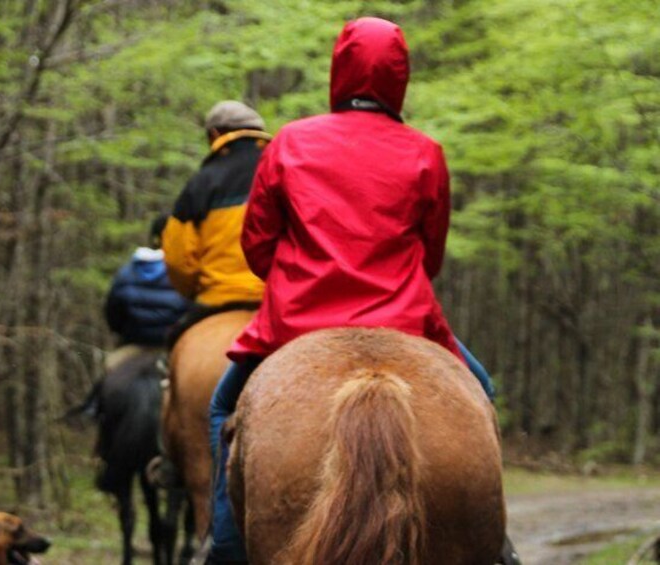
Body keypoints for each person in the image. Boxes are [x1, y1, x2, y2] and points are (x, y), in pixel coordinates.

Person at [205, 17, 515, 564]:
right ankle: (498, 547)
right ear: (400, 77)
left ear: (339, 70)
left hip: (297, 323)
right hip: (405, 320)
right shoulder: (426, 152)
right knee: (480, 393)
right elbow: (432, 254)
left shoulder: (291, 141)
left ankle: (225, 547)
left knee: (222, 407)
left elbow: (258, 246)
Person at [161, 101, 272, 345]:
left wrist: (193, 290)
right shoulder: (284, 169)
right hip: (277, 302)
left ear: (214, 134)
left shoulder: (202, 182)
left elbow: (178, 260)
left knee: (173, 346)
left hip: (219, 298)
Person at [103, 213, 188, 371]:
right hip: (173, 349)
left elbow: (113, 317)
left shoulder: (126, 273)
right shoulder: (183, 272)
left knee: (108, 376)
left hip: (134, 347)